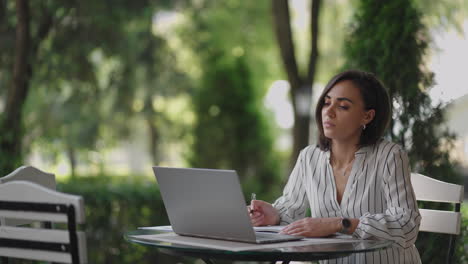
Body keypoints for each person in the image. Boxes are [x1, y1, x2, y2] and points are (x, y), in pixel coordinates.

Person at [249, 70, 421, 263]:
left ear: (367, 116)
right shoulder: (309, 157)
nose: (328, 112)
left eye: (343, 106)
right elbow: (291, 211)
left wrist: (340, 224)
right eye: (326, 102)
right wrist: (274, 215)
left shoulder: (390, 155)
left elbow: (406, 224)